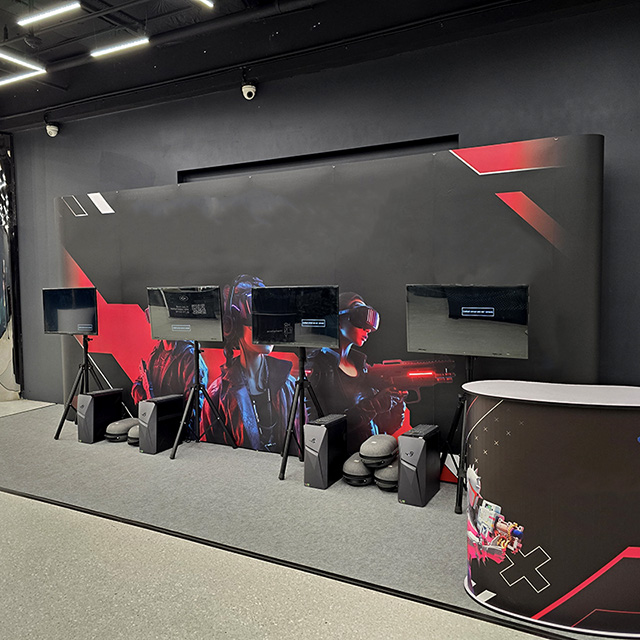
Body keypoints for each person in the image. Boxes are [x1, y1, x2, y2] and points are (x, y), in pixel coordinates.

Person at [200, 275, 299, 452]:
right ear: (233, 325)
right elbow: (210, 454)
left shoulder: (290, 386)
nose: (269, 330)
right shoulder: (217, 395)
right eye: (259, 321)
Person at [307, 292, 405, 453]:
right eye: (360, 317)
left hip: (370, 452)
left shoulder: (361, 367)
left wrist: (395, 403)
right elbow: (319, 430)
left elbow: (384, 427)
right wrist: (372, 406)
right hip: (340, 456)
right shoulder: (318, 367)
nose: (368, 329)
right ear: (338, 320)